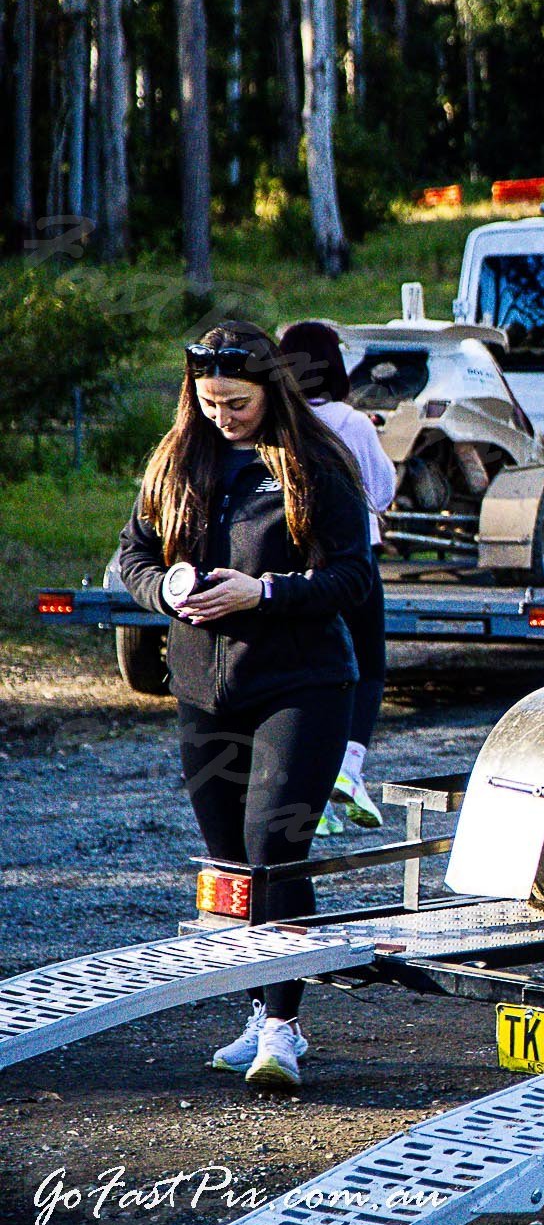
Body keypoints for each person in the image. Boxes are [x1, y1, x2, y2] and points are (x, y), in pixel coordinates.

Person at [118, 321, 375, 1089]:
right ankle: (255, 1007)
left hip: (301, 686)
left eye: (237, 401)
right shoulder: (177, 458)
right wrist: (160, 587)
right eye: (209, 400)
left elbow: (354, 580)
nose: (223, 415)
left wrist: (263, 592)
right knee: (226, 862)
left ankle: (284, 1026)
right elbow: (132, 553)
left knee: (274, 848)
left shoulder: (314, 463)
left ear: (271, 390)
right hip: (202, 688)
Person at [279, 320, 396, 835]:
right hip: (353, 561)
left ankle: (311, 792)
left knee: (309, 674)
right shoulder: (351, 422)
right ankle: (347, 770)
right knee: (366, 668)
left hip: (293, 563)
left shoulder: (277, 422)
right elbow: (382, 489)